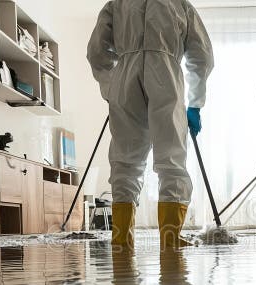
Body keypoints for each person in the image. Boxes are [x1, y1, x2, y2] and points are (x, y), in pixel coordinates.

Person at [87, 0, 214, 249]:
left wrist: (111, 87)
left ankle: (121, 238)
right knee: (171, 158)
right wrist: (195, 103)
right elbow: (202, 56)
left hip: (125, 77)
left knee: (125, 161)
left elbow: (96, 53)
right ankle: (171, 238)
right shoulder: (179, 4)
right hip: (165, 76)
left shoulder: (117, 4)